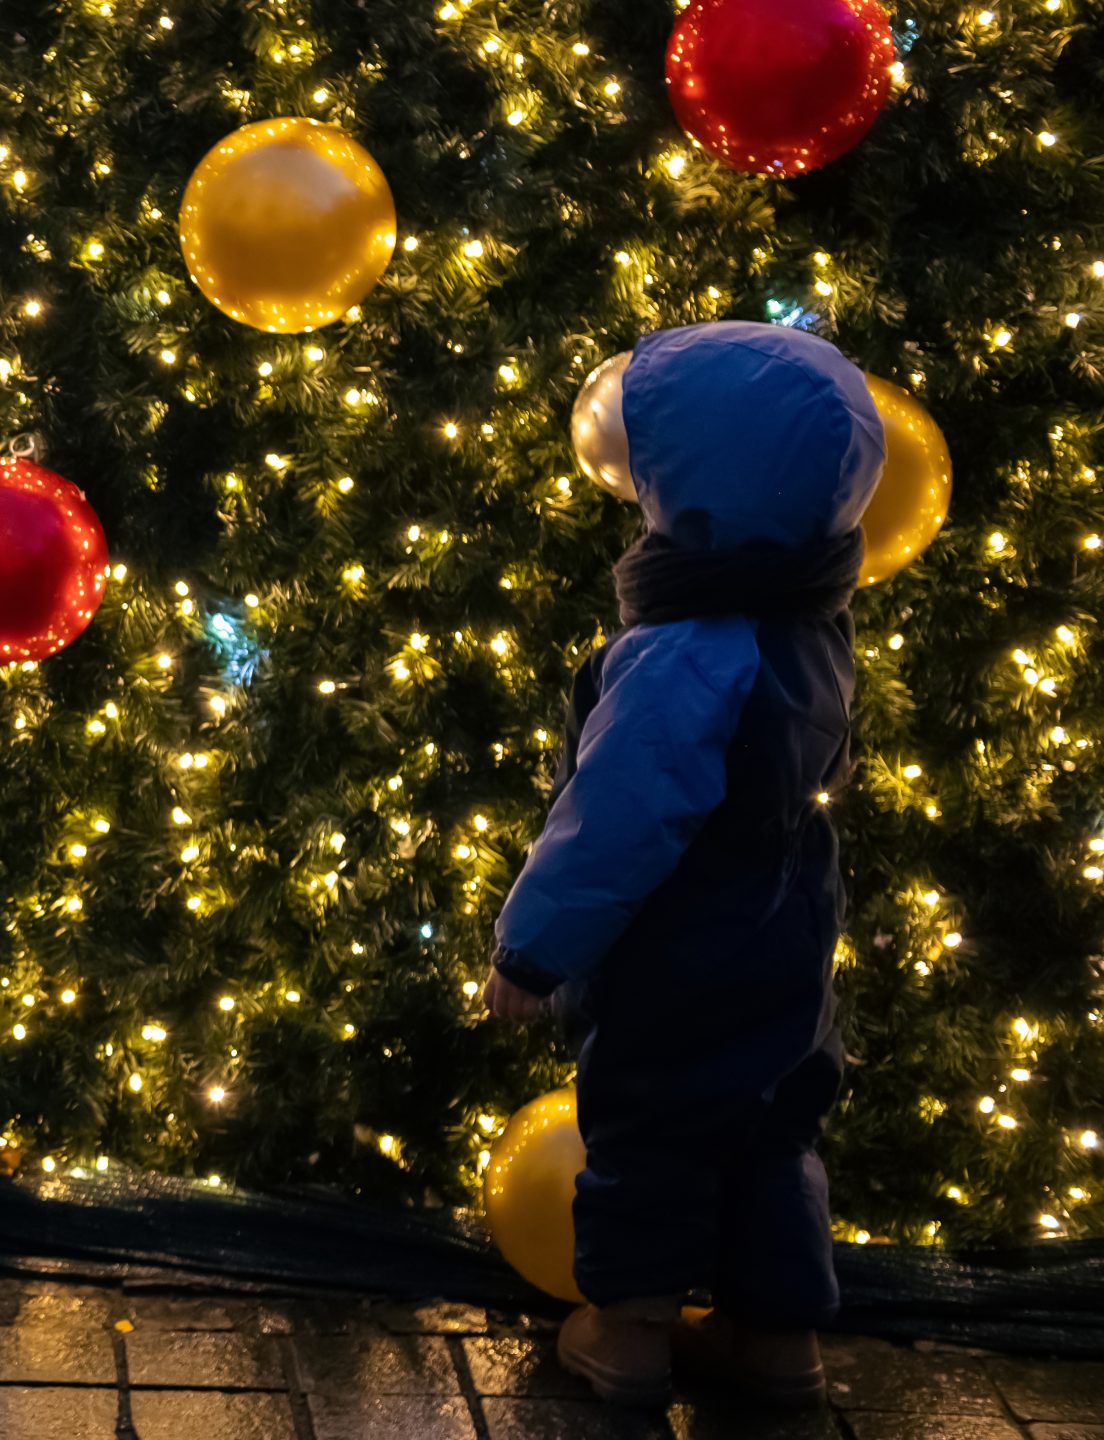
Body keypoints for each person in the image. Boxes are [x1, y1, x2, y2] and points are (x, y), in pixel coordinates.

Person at [482, 322, 882, 1407]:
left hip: (683, 939)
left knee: (649, 1119)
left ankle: (627, 1333)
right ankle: (775, 1340)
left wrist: (534, 949)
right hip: (789, 926)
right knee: (770, 1121)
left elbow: (621, 814)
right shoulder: (816, 619)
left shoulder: (687, 647)